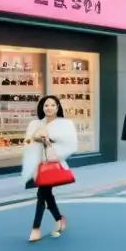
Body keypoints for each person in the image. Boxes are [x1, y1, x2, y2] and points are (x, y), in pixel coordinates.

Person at [21, 96, 78, 242]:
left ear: (58, 107)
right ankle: (59, 219)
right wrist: (35, 138)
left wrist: (49, 138)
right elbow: (27, 141)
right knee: (46, 194)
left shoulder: (64, 124)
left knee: (42, 193)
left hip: (53, 163)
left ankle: (36, 228)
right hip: (38, 164)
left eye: (53, 105)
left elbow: (70, 144)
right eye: (46, 105)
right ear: (42, 107)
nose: (49, 108)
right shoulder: (35, 124)